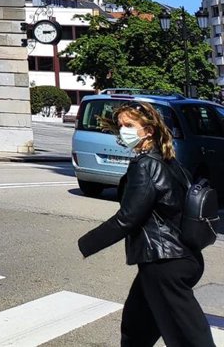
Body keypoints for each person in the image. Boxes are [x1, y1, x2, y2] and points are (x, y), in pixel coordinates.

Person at [78, 102, 213, 346]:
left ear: (148, 130)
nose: (123, 131)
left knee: (189, 339)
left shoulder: (145, 165)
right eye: (121, 125)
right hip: (175, 259)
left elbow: (127, 218)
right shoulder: (170, 162)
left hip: (164, 264)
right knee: (136, 328)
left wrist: (85, 244)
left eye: (129, 125)